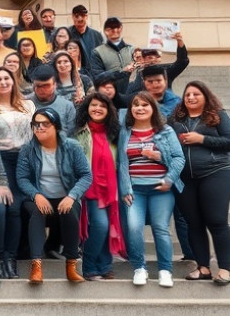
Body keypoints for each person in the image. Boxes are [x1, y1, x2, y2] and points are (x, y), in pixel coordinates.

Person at [17, 108, 92, 283]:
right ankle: (36, 266)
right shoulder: (27, 150)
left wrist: (72, 195)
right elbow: (22, 178)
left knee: (71, 209)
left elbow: (86, 175)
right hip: (38, 197)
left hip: (65, 197)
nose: (39, 128)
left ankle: (71, 265)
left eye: (45, 124)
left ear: (56, 127)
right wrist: (36, 194)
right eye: (36, 124)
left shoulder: (72, 147)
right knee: (37, 211)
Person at [118, 91, 185, 288]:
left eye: (145, 105)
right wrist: (125, 189)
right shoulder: (126, 131)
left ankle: (165, 270)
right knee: (134, 227)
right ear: (131, 109)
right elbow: (122, 163)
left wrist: (168, 177)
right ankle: (140, 268)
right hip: (135, 190)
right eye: (136, 105)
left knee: (161, 228)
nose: (140, 108)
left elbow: (178, 158)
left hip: (161, 188)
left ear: (153, 108)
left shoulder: (165, 131)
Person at [168, 81, 230, 284]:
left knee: (217, 221)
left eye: (196, 94)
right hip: (185, 178)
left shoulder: (217, 115)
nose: (191, 98)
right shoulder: (175, 120)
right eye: (187, 95)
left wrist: (201, 139)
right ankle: (203, 267)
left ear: (205, 96)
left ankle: (225, 269)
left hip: (215, 172)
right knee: (193, 224)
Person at [73, 92, 124, 280]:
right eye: (93, 105)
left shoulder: (115, 134)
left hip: (111, 188)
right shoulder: (79, 133)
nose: (97, 109)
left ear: (108, 110)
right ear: (87, 108)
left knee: (108, 225)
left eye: (102, 106)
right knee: (101, 225)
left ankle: (104, 266)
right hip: (90, 187)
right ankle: (89, 265)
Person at [89, 17, 135, 93]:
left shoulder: (131, 50)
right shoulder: (97, 52)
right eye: (110, 28)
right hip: (109, 96)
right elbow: (97, 77)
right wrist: (121, 72)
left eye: (116, 27)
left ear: (121, 28)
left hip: (132, 95)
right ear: (105, 31)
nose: (114, 30)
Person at [28, 65, 77, 135]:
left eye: (46, 85)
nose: (42, 89)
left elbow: (71, 135)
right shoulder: (24, 103)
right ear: (33, 86)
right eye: (38, 86)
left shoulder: (67, 107)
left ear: (55, 85)